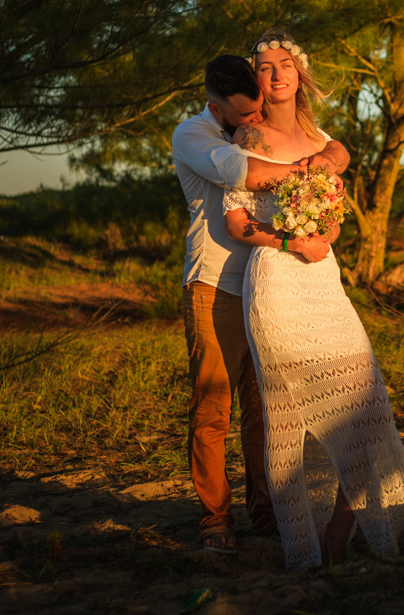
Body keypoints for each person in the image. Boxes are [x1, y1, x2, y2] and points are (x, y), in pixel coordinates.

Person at [221, 29, 404, 571]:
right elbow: (237, 220)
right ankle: (305, 548)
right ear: (256, 79)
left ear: (299, 72)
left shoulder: (324, 140)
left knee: (365, 405)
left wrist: (326, 232)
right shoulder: (247, 141)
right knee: (288, 420)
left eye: (284, 64)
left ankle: (340, 531)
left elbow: (335, 214)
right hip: (275, 283)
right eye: (264, 67)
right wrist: (292, 238)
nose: (276, 75)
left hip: (325, 284)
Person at [171, 54, 351, 553]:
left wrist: (330, 155)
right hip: (216, 285)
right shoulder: (194, 135)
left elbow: (328, 144)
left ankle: (266, 512)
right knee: (213, 407)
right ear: (216, 105)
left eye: (258, 111)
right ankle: (215, 519)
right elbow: (243, 174)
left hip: (268, 287)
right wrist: (311, 170)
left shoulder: (253, 127)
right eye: (245, 114)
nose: (255, 120)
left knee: (264, 407)